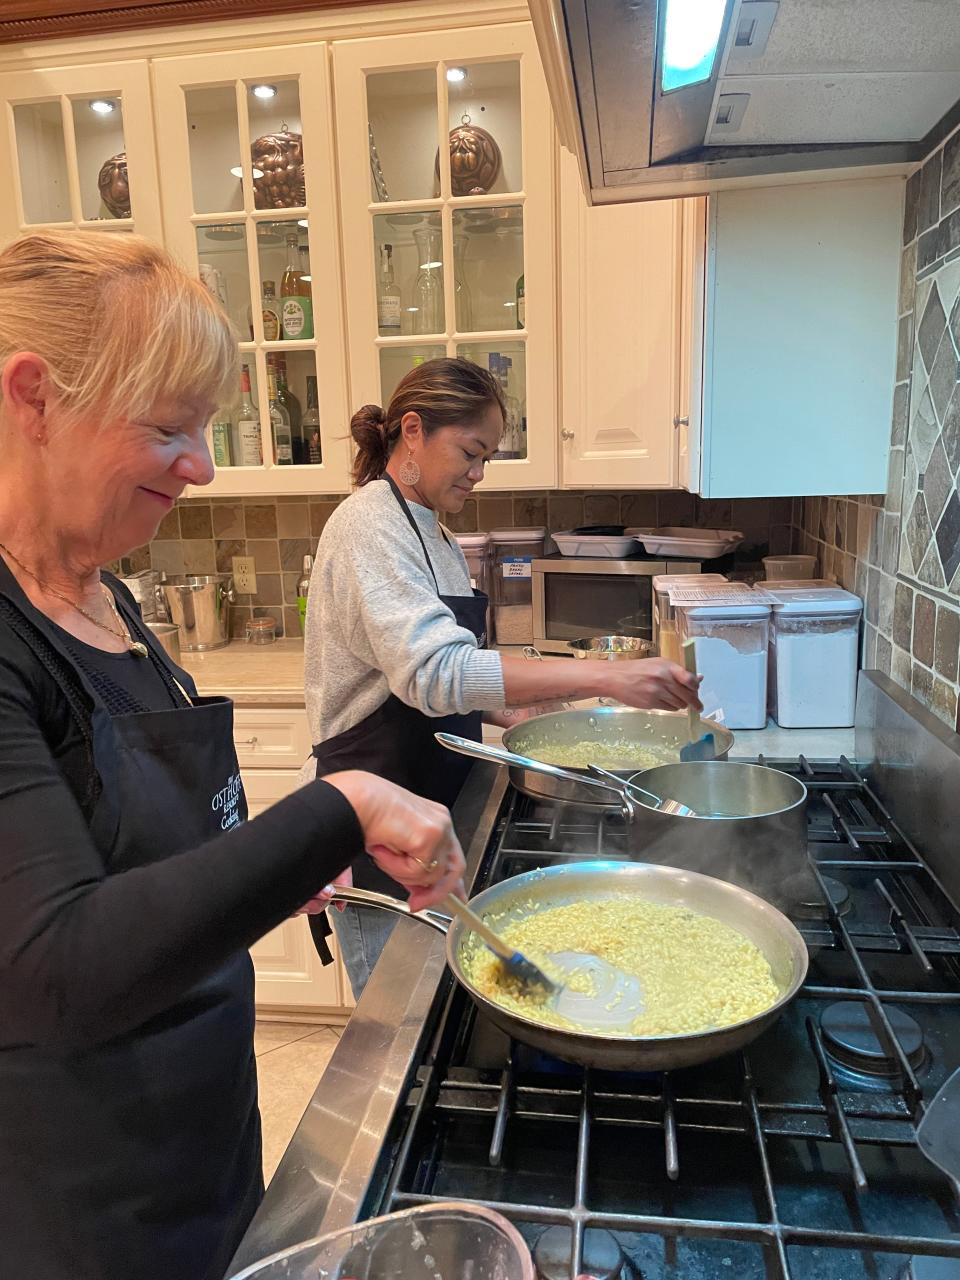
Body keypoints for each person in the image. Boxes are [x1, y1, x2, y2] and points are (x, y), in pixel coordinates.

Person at [0, 230, 466, 1280]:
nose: (203, 466)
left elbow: (132, 860)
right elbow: (56, 964)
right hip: (81, 1210)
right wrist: (336, 809)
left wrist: (271, 863)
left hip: (200, 1154)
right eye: (169, 427)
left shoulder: (105, 595)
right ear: (32, 396)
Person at [303, 357, 701, 997]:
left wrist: (514, 715)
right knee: (401, 1018)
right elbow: (433, 673)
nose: (479, 473)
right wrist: (608, 675)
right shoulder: (368, 526)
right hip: (375, 822)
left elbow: (420, 670)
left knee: (439, 1001)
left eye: (487, 456)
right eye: (470, 451)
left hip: (429, 804)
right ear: (412, 431)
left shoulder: (429, 529)